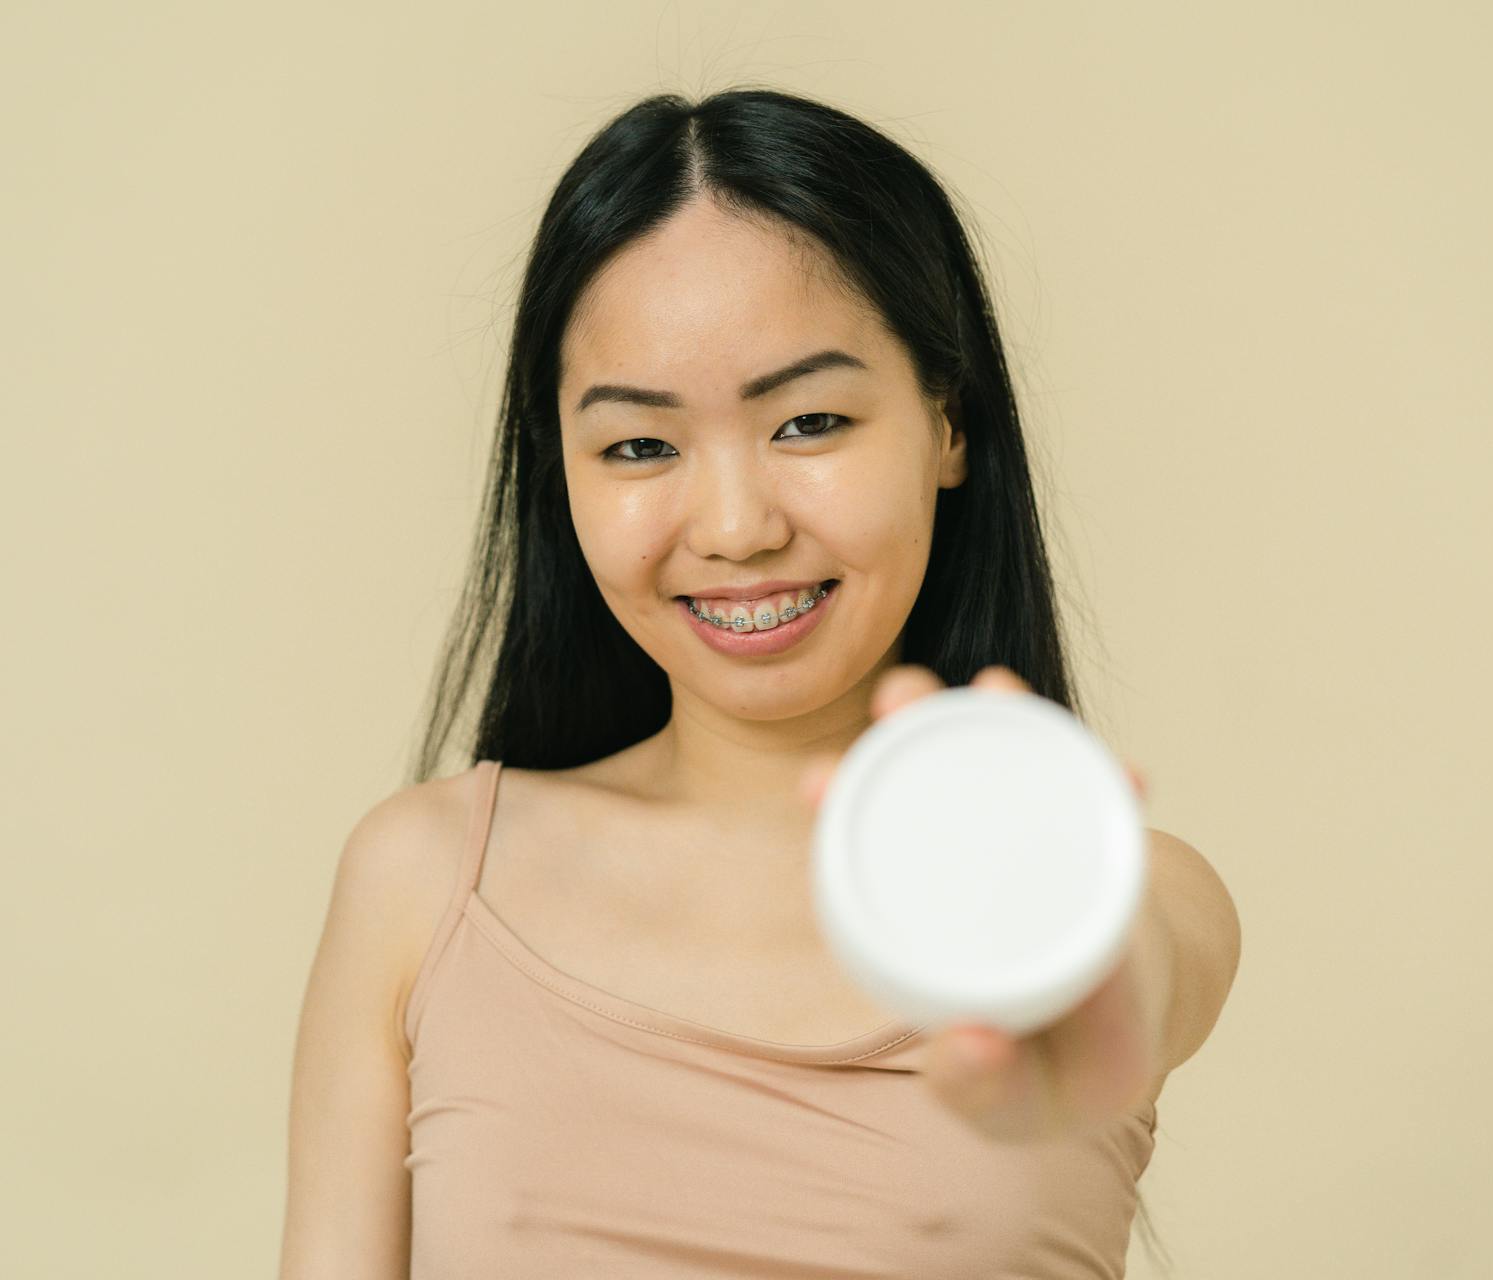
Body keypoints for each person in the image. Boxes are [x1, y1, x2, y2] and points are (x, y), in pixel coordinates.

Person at [279, 86, 1240, 1279]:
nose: (734, 527)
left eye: (810, 420)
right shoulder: (422, 882)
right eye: (639, 444)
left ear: (948, 423)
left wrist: (1076, 982)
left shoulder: (1124, 885)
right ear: (560, 472)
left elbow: (1142, 972)